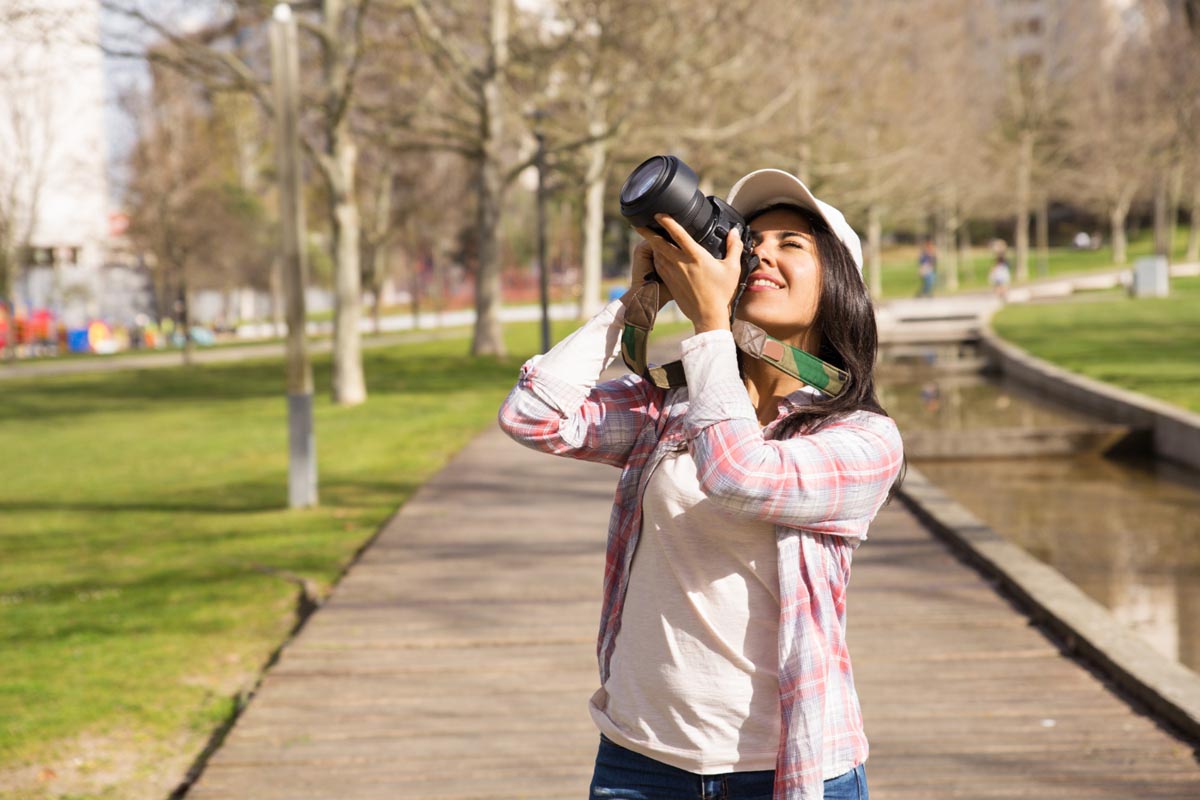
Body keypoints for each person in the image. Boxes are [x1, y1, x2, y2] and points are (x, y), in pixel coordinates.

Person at [499, 168, 904, 800]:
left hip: (785, 768)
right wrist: (634, 303)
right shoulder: (672, 407)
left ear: (838, 287)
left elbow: (738, 473)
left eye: (792, 244)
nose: (760, 254)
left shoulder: (863, 438)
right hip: (640, 760)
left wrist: (712, 325)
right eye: (751, 241)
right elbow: (533, 416)